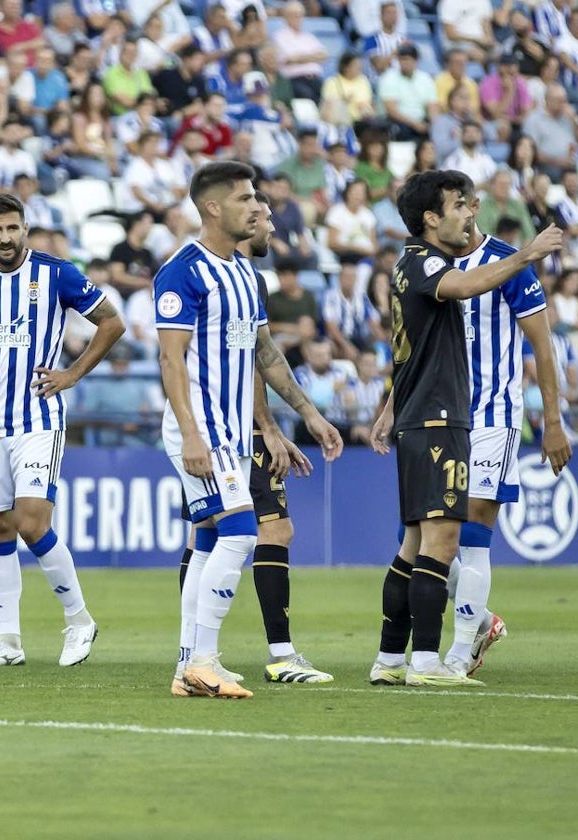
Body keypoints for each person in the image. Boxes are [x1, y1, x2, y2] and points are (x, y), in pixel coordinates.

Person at [366, 170, 563, 687]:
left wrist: (553, 422)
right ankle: (464, 628)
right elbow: (412, 343)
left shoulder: (500, 261)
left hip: (492, 414)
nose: (471, 209)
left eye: (472, 201)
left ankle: (457, 651)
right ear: (436, 216)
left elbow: (542, 346)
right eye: (461, 203)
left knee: (467, 533)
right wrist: (390, 404)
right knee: (427, 537)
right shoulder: (438, 265)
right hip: (436, 412)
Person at [156, 161, 343, 699]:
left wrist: (306, 412)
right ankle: (204, 661)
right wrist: (191, 435)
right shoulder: (182, 271)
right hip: (203, 430)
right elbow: (171, 360)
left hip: (236, 432)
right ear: (213, 208)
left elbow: (263, 352)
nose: (256, 207)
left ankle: (188, 665)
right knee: (241, 532)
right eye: (244, 198)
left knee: (213, 536)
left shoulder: (245, 273)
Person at [0, 192, 124, 667]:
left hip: (38, 418)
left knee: (30, 522)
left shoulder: (56, 272)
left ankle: (79, 619)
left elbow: (111, 322)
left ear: (26, 229)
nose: (5, 238)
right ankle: (8, 643)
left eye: (12, 228)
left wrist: (71, 374)